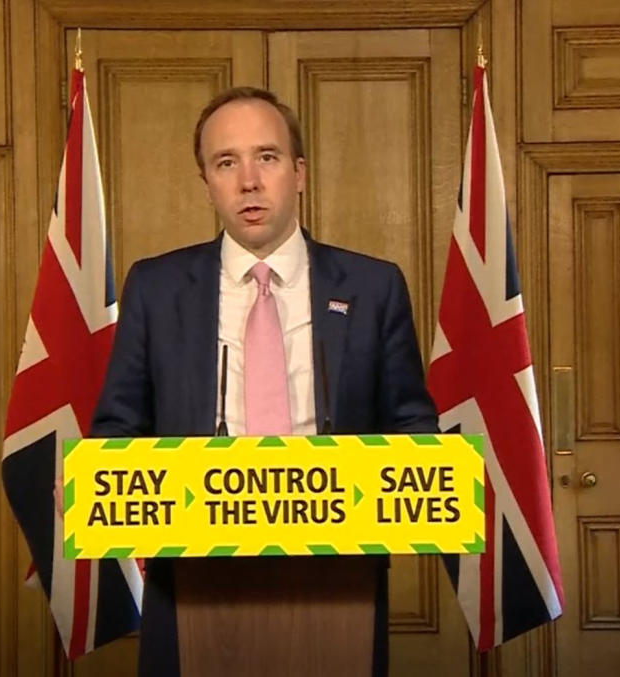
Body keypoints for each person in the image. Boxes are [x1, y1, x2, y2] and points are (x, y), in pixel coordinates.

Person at [90, 86, 438, 677]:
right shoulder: (156, 287)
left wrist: (442, 474)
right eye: (226, 162)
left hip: (339, 582)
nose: (249, 180)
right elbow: (119, 428)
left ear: (299, 173)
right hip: (193, 581)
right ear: (206, 181)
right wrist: (90, 483)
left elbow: (411, 423)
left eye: (267, 157)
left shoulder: (374, 287)